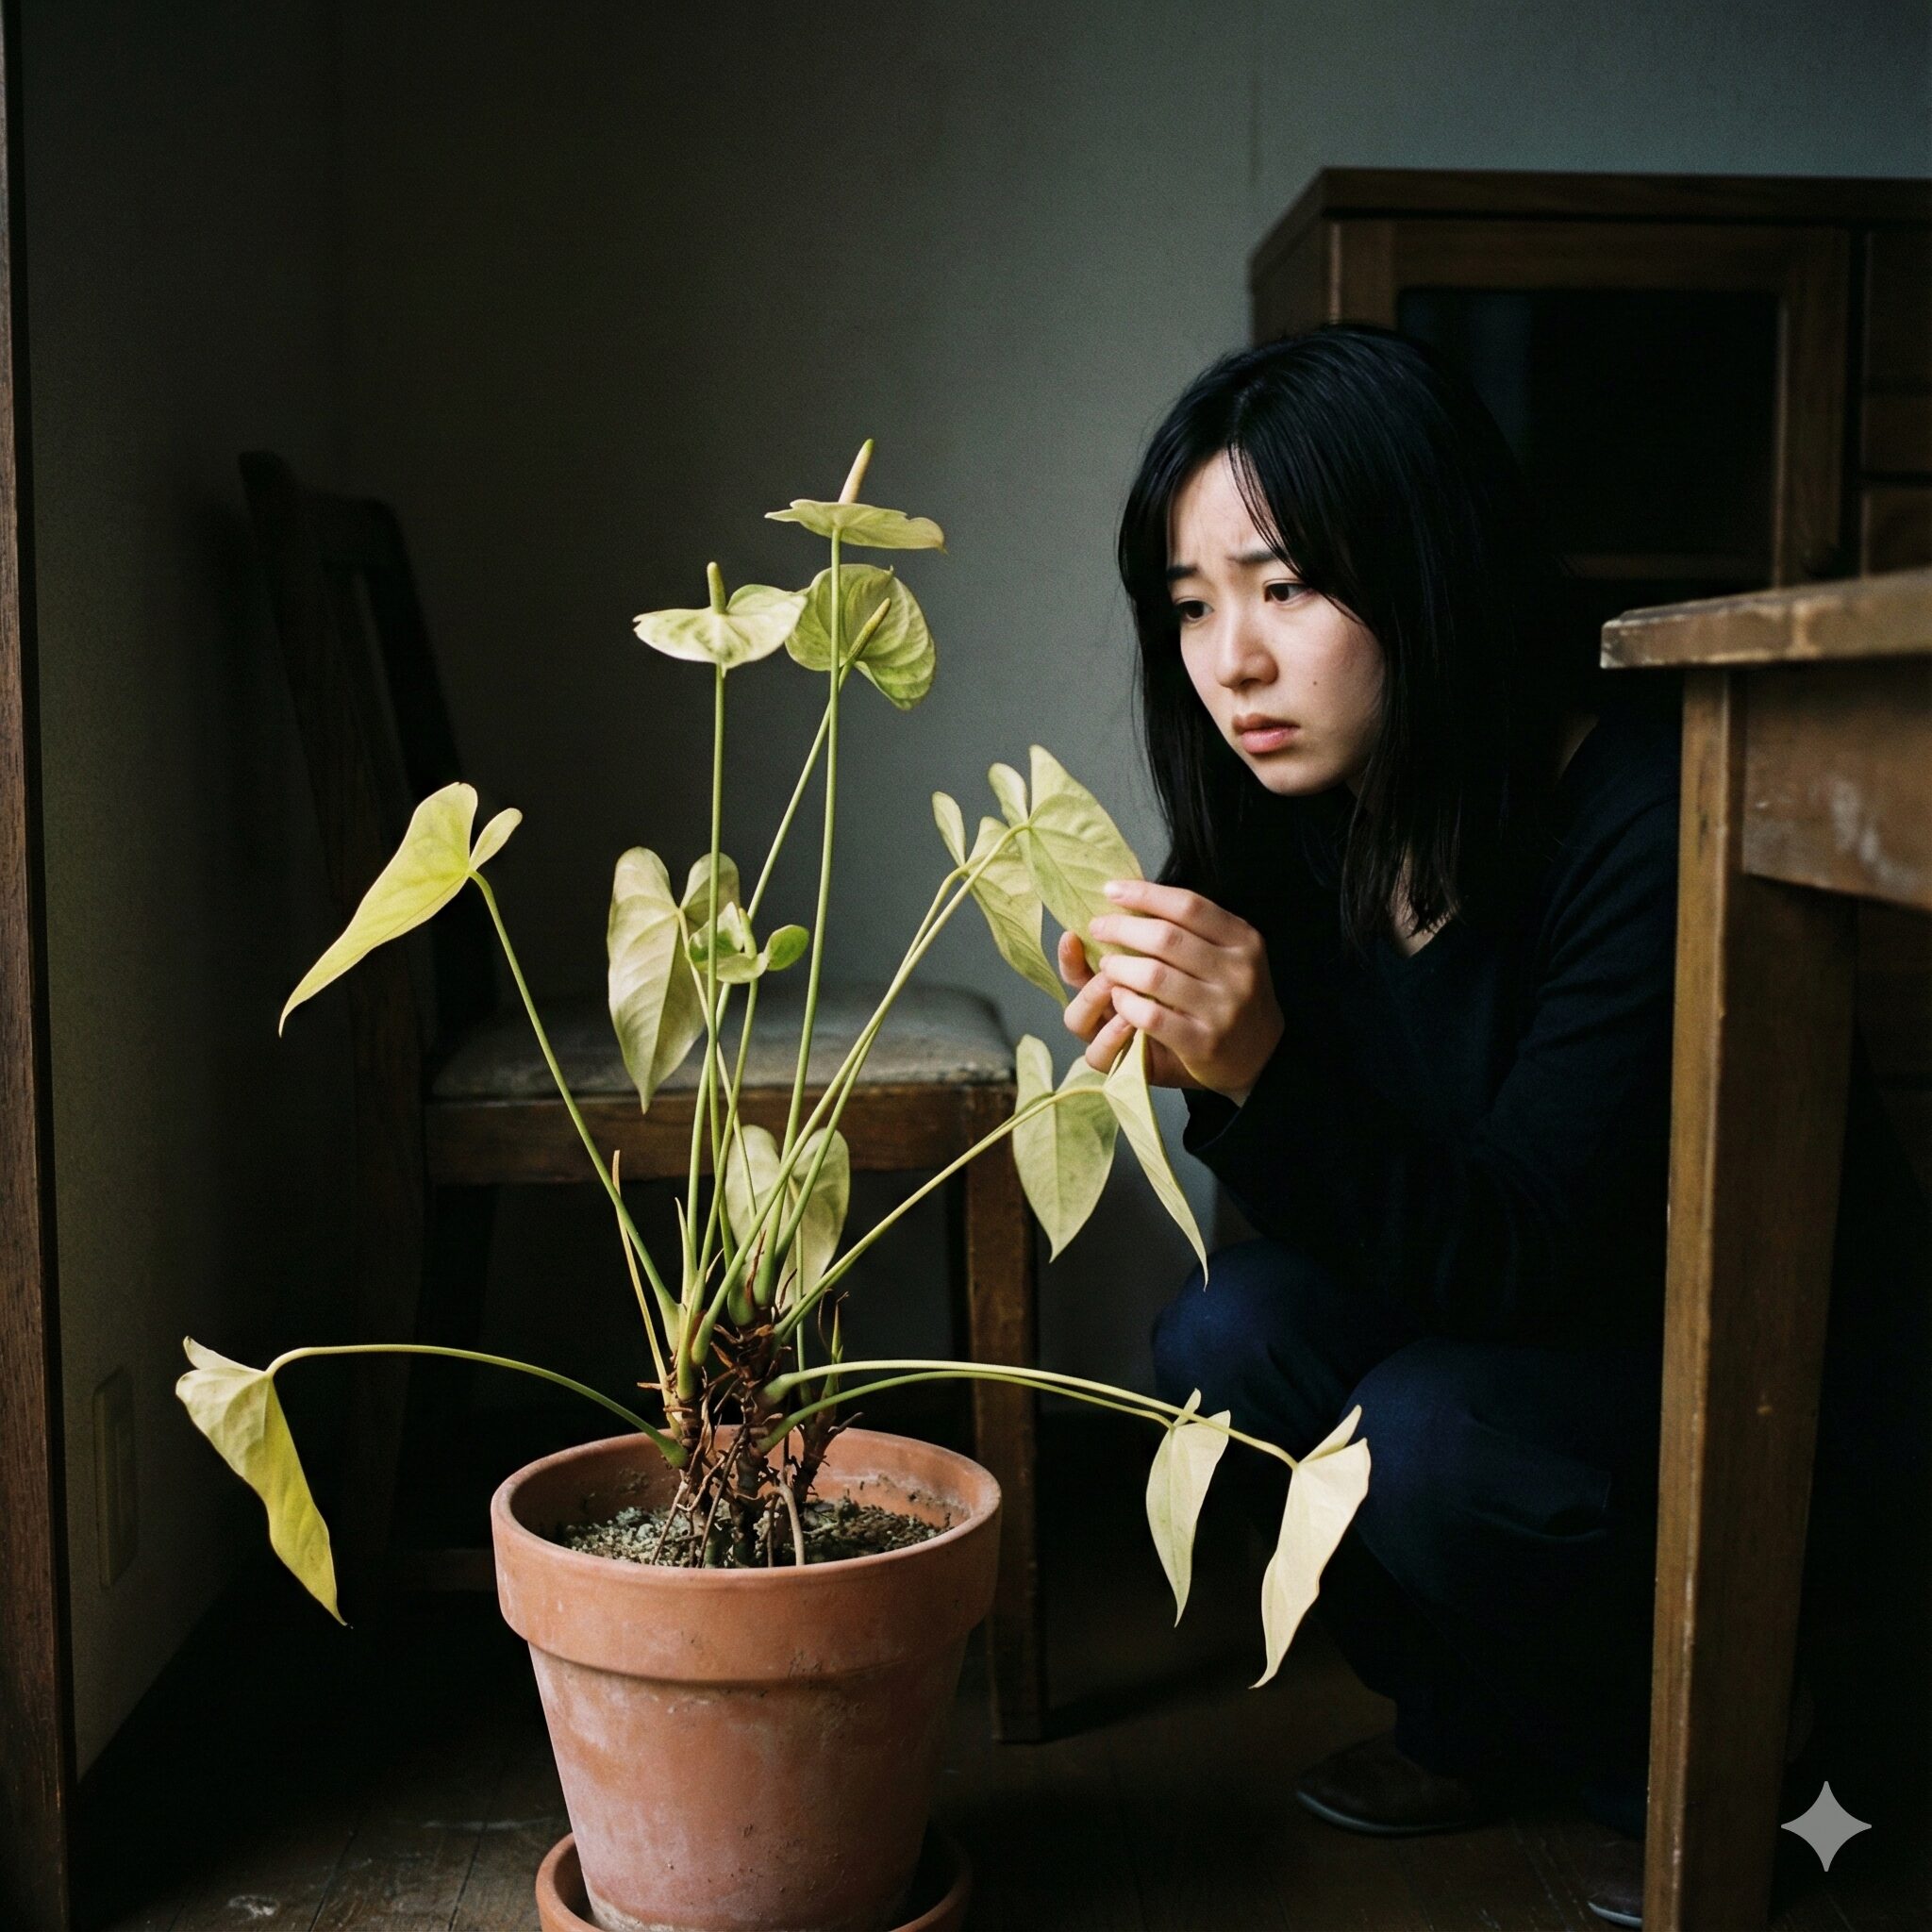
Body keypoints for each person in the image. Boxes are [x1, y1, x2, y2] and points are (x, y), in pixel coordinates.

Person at [1056, 324, 1930, 1929]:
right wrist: (1208, 1061)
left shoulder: (1645, 804)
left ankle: (1712, 1753)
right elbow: (1351, 1215)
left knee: (1434, 1435)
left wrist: (1267, 1075)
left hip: (1728, 1380)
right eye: (1190, 607)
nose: (1230, 659)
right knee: (1222, 1334)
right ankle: (1475, 1722)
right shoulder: (1300, 812)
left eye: (1286, 588)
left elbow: (1535, 1240)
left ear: (1427, 565)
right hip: (1496, 1331)